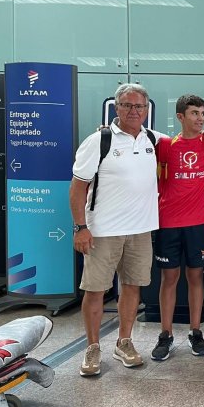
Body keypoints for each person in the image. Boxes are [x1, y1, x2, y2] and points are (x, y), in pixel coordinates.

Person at [70, 83, 163, 376]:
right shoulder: (99, 140)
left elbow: (190, 143)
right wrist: (81, 227)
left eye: (139, 106)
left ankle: (125, 341)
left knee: (133, 287)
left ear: (147, 110)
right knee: (96, 289)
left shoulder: (154, 139)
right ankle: (92, 347)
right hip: (103, 231)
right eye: (127, 105)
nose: (133, 111)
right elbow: (77, 188)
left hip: (141, 230)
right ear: (117, 108)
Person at [150, 94, 204, 361]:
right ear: (180, 117)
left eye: (203, 113)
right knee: (169, 279)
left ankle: (196, 331)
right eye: (194, 113)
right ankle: (165, 334)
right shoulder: (166, 146)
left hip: (200, 224)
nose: (200, 118)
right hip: (168, 223)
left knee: (196, 277)